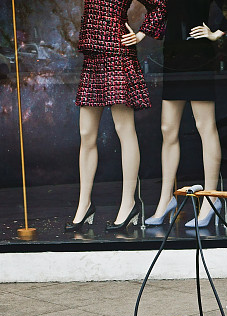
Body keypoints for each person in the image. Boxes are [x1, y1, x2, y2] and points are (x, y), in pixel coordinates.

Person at [145, 0, 227, 227]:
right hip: (172, 55)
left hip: (198, 55)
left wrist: (216, 34)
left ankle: (211, 197)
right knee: (167, 128)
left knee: (205, 126)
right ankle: (166, 198)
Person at [66, 0, 166, 232]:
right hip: (93, 55)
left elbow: (160, 4)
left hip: (117, 53)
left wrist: (141, 34)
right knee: (86, 134)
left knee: (124, 130)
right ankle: (84, 204)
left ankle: (128, 203)